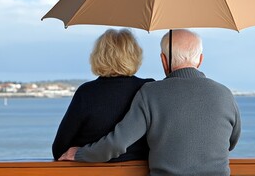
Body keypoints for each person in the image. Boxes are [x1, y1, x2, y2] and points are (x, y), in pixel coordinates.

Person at [59, 29, 241, 176]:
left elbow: (116, 144)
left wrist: (80, 153)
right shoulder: (225, 94)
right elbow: (231, 142)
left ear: (163, 60)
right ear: (200, 60)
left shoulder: (151, 93)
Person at [52, 28, 154, 162]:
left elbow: (60, 149)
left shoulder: (87, 93)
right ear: (135, 55)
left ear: (98, 55)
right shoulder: (149, 88)